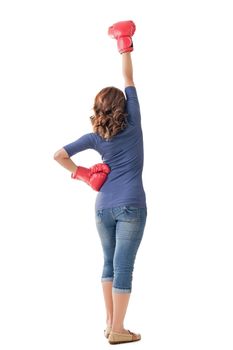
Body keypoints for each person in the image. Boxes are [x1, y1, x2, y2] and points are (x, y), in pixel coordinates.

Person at [54, 20, 147, 345]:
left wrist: (82, 174)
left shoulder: (96, 136)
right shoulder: (133, 122)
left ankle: (110, 324)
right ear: (122, 107)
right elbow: (129, 78)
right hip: (131, 205)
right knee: (123, 266)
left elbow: (59, 155)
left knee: (108, 263)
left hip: (103, 207)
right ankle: (118, 330)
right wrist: (124, 43)